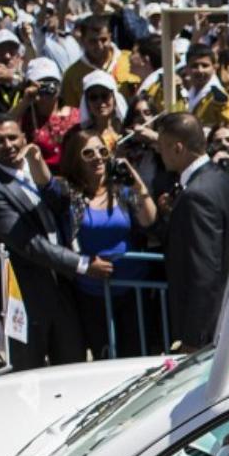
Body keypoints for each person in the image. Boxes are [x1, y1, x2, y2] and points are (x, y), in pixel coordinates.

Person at [0, 116, 103, 370]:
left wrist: (42, 171)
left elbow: (62, 206)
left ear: (24, 138)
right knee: (30, 379)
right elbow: (28, 243)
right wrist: (82, 264)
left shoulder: (36, 171)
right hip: (28, 298)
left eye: (12, 137)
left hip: (63, 290)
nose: (8, 145)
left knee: (73, 367)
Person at [61, 129, 157, 358]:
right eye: (88, 153)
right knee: (105, 355)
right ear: (76, 159)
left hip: (133, 290)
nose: (97, 157)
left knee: (135, 354)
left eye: (102, 151)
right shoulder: (70, 196)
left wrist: (137, 184)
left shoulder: (122, 192)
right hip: (94, 293)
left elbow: (148, 219)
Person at [156, 112, 229, 351]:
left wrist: (193, 339)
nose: (159, 152)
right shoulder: (223, 181)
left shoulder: (196, 194)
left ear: (177, 148)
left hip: (208, 333)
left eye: (162, 146)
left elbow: (204, 271)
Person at [58, 15, 137, 108]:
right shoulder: (72, 75)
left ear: (110, 37)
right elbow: (71, 113)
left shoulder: (130, 60)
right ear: (82, 40)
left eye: (103, 40)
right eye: (93, 41)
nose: (99, 46)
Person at [20, 57, 81, 171]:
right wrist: (26, 100)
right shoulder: (25, 117)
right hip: (42, 177)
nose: (50, 87)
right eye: (42, 84)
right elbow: (5, 126)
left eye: (53, 82)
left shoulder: (77, 115)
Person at [180, 43, 229, 143]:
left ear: (215, 67)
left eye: (205, 65)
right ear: (187, 69)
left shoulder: (219, 98)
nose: (200, 70)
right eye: (194, 66)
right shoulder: (186, 96)